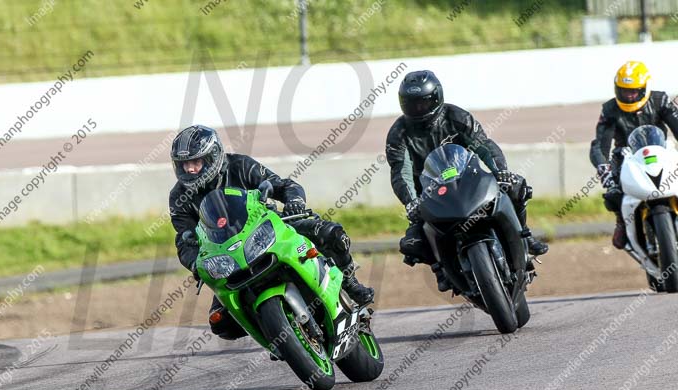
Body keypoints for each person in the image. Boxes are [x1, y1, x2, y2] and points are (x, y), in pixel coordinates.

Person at [169, 125, 374, 340]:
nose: (189, 169)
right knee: (222, 324)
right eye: (184, 164)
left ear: (212, 157)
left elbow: (283, 186)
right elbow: (185, 239)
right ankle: (278, 334)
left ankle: (350, 284)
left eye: (196, 162)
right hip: (228, 257)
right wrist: (194, 263)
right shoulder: (178, 197)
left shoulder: (240, 165)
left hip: (268, 231)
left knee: (332, 235)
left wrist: (294, 202)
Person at [385, 70, 548, 292]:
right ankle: (440, 268)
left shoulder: (457, 117)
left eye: (423, 103)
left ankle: (525, 237)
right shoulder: (398, 133)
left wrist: (500, 172)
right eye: (412, 104)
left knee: (516, 187)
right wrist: (411, 202)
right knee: (412, 242)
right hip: (430, 192)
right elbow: (400, 172)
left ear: (437, 98)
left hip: (468, 178)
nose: (418, 109)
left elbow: (484, 146)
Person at [590, 61, 678, 249]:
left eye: (634, 91)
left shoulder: (660, 100)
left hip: (660, 151)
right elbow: (599, 145)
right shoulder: (609, 109)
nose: (629, 95)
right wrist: (602, 167)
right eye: (624, 91)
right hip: (626, 157)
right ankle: (622, 221)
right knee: (612, 191)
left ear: (645, 88)